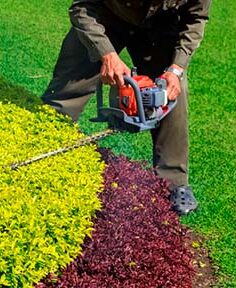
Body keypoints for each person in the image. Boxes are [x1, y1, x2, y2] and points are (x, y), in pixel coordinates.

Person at [41, 0, 211, 215]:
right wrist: (106, 54)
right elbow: (81, 7)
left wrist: (176, 68)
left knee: (169, 93)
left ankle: (175, 183)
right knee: (67, 89)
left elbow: (196, 18)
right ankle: (44, 149)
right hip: (104, 17)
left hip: (160, 27)